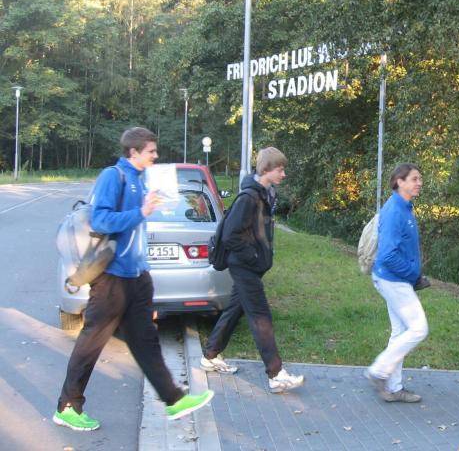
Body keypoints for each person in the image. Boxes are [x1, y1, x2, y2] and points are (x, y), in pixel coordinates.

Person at [54, 127, 214, 432]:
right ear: (134, 152)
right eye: (151, 151)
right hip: (112, 279)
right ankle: (68, 407)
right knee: (91, 343)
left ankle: (174, 400)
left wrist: (154, 211)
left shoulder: (142, 179)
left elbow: (137, 225)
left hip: (137, 277)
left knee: (146, 341)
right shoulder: (112, 176)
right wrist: (141, 211)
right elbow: (102, 220)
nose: (156, 155)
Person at [200, 147, 304, 393]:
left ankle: (210, 355)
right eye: (280, 170)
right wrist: (253, 256)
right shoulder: (249, 198)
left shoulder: (265, 194)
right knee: (260, 318)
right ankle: (276, 374)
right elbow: (230, 235)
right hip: (244, 266)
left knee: (235, 309)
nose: (283, 174)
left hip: (250, 266)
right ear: (266, 169)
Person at [365, 163, 429, 403]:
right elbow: (387, 256)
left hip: (397, 279)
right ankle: (378, 371)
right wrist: (413, 274)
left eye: (420, 178)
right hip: (393, 280)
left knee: (400, 332)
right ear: (399, 182)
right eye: (414, 179)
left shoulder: (405, 207)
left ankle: (393, 388)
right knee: (419, 329)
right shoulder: (394, 211)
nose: (419, 183)